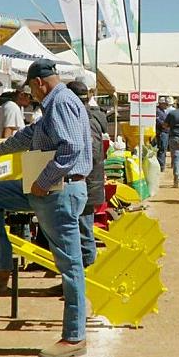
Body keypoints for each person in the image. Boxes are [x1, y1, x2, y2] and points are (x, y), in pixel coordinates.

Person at [0, 59, 91, 357]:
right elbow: (30, 134)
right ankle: (0, 266)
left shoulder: (61, 102)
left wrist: (43, 182)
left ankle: (74, 337)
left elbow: (71, 148)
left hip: (58, 190)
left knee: (70, 266)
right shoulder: (54, 103)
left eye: (31, 89)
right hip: (47, 191)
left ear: (38, 83)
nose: (31, 94)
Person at [67, 81, 107, 267]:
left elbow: (94, 153)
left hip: (87, 183)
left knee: (83, 231)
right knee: (81, 229)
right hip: (87, 182)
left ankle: (87, 272)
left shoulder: (86, 120)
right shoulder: (88, 116)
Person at [155, 97, 171, 170]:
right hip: (161, 132)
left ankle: (162, 164)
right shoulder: (157, 111)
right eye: (165, 104)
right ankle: (161, 165)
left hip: (165, 132)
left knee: (163, 149)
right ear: (161, 103)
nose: (166, 105)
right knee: (162, 149)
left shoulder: (162, 111)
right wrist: (166, 125)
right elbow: (159, 122)